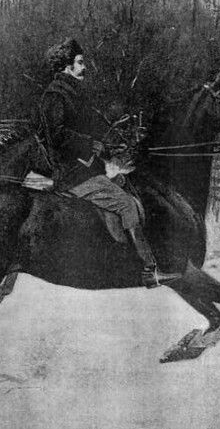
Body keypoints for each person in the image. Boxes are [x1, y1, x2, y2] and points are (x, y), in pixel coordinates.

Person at [39, 38, 179, 288]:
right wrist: (90, 144)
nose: (84, 68)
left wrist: (111, 144)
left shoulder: (73, 94)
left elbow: (92, 129)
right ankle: (149, 270)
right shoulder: (55, 96)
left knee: (127, 183)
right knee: (126, 204)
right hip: (72, 175)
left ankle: (130, 253)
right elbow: (56, 136)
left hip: (86, 169)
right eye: (80, 63)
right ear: (65, 66)